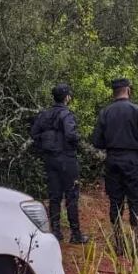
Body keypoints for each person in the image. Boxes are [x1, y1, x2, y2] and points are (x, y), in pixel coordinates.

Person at [91, 78, 138, 256]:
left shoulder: (105, 112)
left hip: (112, 160)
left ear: (114, 92)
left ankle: (119, 244)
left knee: (116, 202)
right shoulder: (136, 111)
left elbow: (96, 141)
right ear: (128, 90)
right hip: (132, 160)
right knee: (135, 202)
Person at [31, 83, 89, 244]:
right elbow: (71, 135)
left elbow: (34, 133)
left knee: (54, 196)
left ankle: (56, 232)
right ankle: (75, 234)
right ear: (66, 97)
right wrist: (78, 141)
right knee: (71, 196)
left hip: (50, 160)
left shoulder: (45, 114)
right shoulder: (66, 114)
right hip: (67, 159)